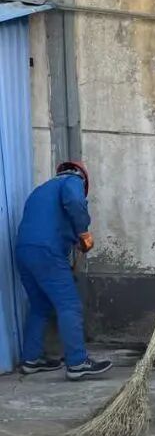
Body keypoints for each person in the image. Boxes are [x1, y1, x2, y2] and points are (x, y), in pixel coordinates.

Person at [15, 161, 112, 380]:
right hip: (46, 251)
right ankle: (77, 363)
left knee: (40, 305)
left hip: (23, 251)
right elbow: (75, 202)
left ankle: (31, 359)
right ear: (82, 178)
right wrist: (83, 232)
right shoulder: (73, 180)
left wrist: (72, 241)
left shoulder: (40, 190)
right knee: (69, 305)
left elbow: (47, 223)